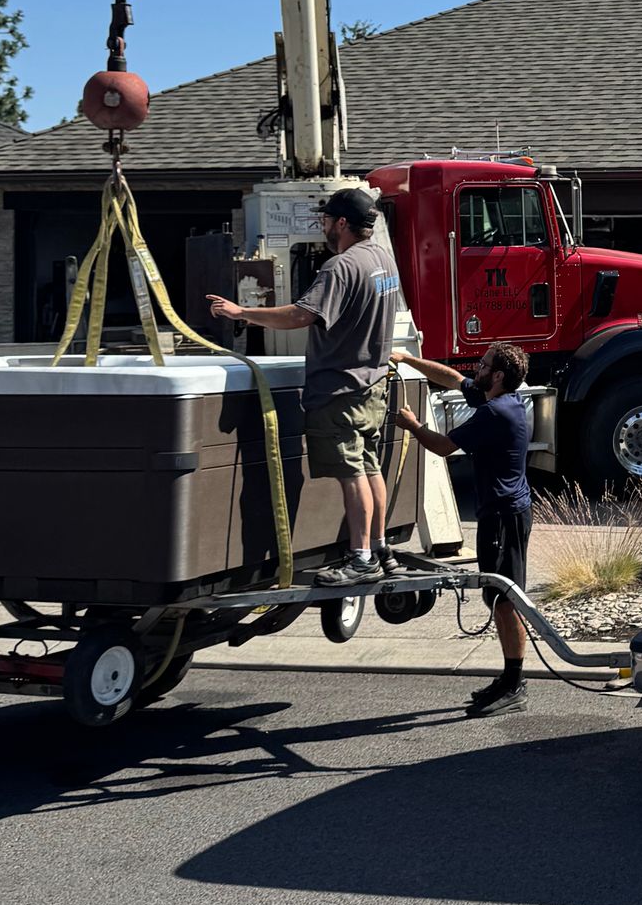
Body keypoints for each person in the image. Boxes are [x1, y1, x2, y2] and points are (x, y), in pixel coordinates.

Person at [206, 185, 402, 586]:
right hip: (372, 387)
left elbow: (300, 316)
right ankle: (381, 548)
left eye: (326, 220)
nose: (323, 227)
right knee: (369, 467)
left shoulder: (340, 267)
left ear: (342, 223)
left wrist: (242, 312)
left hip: (339, 391)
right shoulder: (383, 259)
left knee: (352, 474)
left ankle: (361, 558)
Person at [393, 340, 533, 717]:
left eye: (484, 364)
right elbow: (454, 379)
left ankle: (514, 684)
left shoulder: (495, 413)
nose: (477, 368)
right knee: (498, 597)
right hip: (502, 513)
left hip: (504, 517)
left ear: (497, 376)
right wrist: (407, 359)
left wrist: (412, 425)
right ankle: (509, 678)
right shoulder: (500, 398)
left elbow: (442, 446)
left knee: (506, 600)